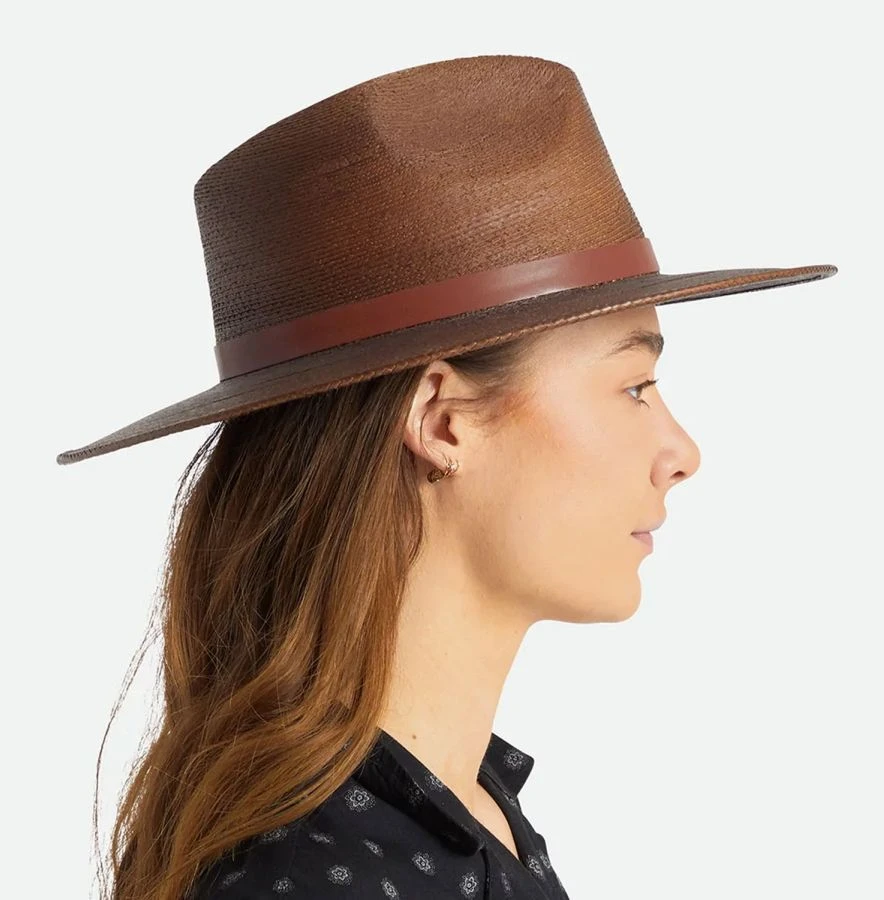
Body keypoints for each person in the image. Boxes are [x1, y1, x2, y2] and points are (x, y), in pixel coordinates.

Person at [56, 54, 836, 900]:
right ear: (441, 421)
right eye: (634, 386)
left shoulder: (466, 812)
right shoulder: (323, 876)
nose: (683, 452)